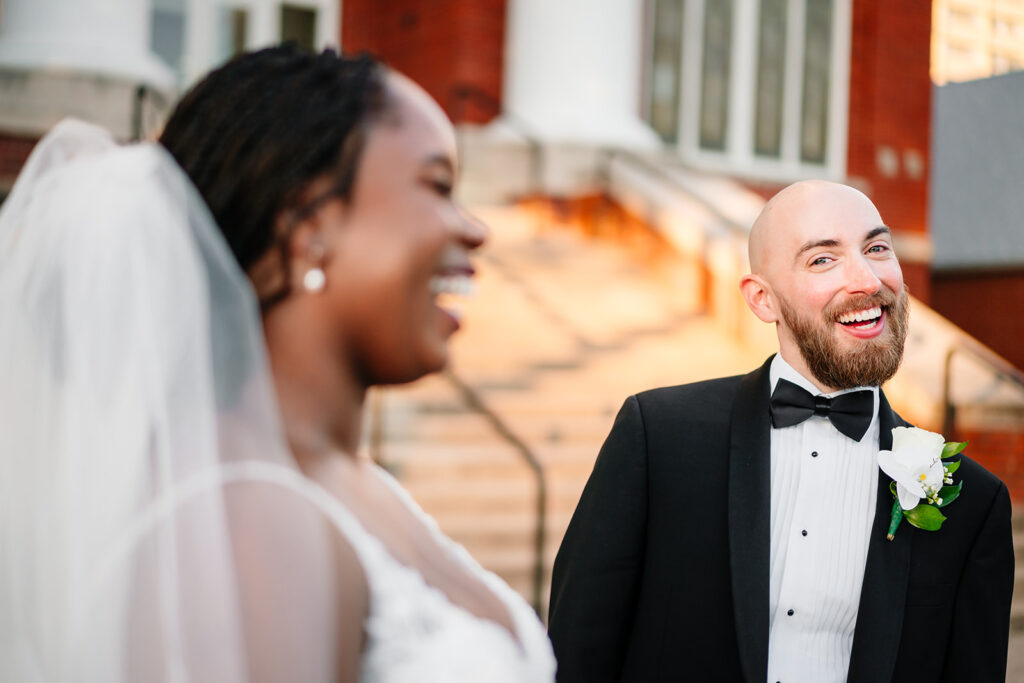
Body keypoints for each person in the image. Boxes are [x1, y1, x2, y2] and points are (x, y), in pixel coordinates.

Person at [0, 46, 555, 681]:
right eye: (436, 186)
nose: (475, 230)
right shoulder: (242, 522)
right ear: (307, 224)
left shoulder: (361, 487)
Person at [547, 180, 1014, 682]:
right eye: (822, 259)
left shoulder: (970, 501)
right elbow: (576, 653)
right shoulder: (657, 438)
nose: (866, 279)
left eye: (877, 248)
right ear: (762, 300)